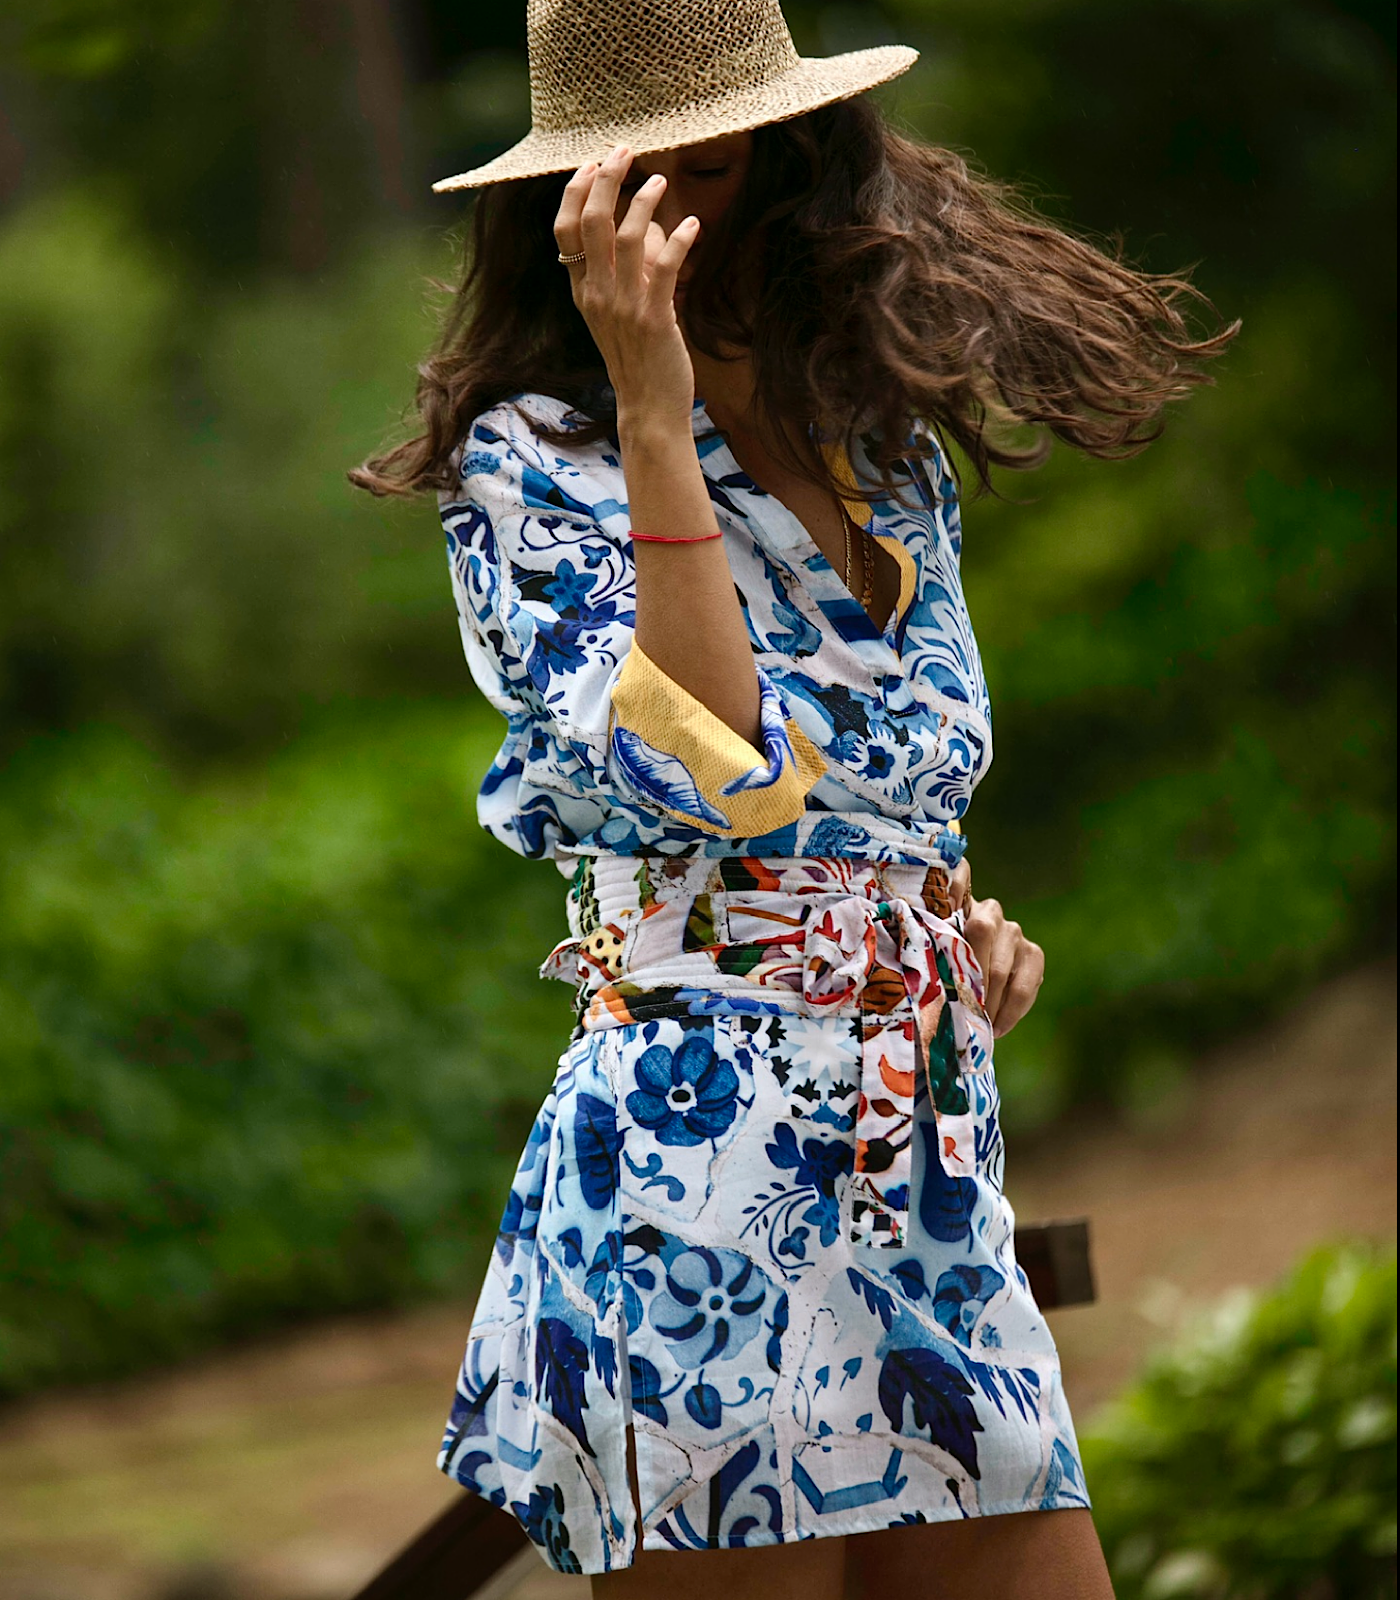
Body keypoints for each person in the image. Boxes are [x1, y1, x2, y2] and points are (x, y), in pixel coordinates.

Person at [353, 2, 1233, 1594]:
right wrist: (651, 400)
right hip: (695, 1186)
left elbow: (896, 789)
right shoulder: (532, 460)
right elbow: (710, 766)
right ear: (566, 208)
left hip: (924, 1175)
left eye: (720, 162)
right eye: (646, 179)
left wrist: (937, 930)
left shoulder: (879, 446)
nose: (687, 218)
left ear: (792, 150)